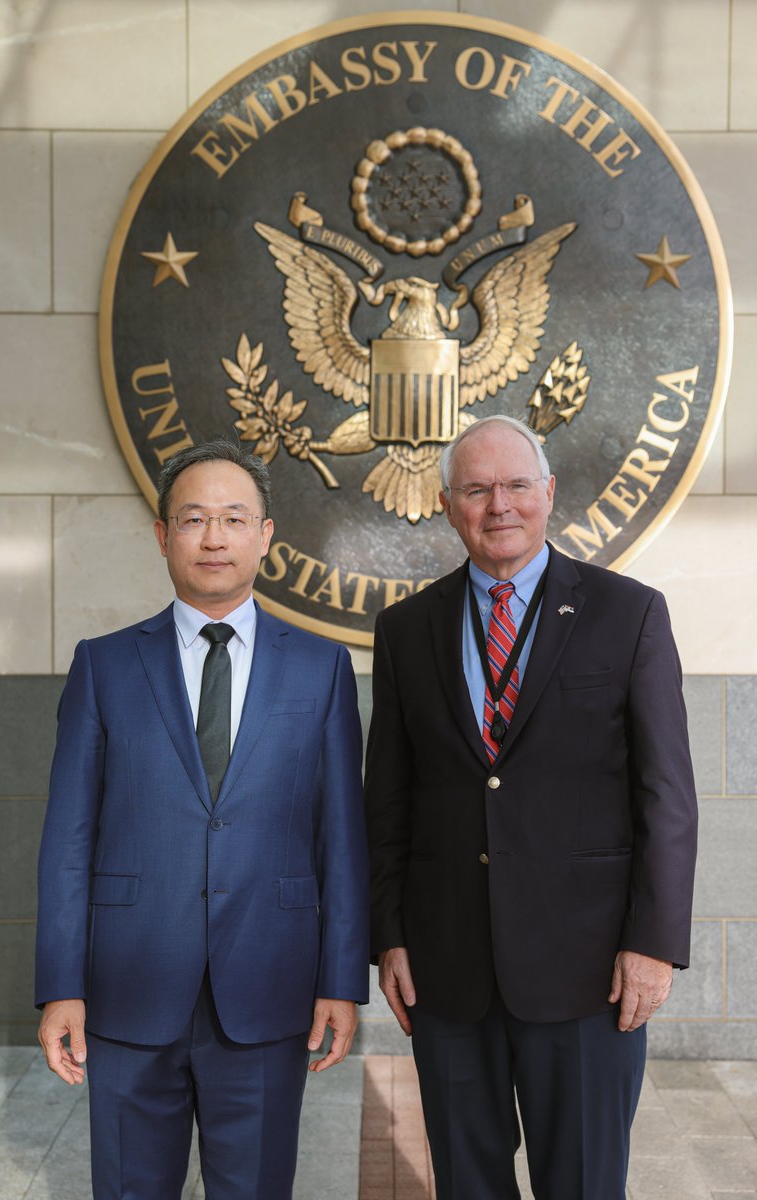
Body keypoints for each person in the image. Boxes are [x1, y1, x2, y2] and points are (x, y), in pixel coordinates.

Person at [364, 414, 697, 1200]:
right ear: (448, 505)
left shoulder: (629, 613)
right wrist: (389, 938)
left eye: (516, 485)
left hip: (588, 974)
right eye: (476, 489)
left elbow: (667, 795)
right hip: (449, 974)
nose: (499, 505)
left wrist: (654, 943)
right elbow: (388, 801)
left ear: (549, 493)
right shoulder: (407, 630)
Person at [36, 438, 369, 1200]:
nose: (214, 538)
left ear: (265, 536)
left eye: (232, 518)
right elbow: (67, 839)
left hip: (268, 985)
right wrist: (62, 983)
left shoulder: (320, 668)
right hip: (127, 986)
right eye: (193, 519)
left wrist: (341, 980)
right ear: (162, 536)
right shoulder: (106, 664)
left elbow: (341, 838)